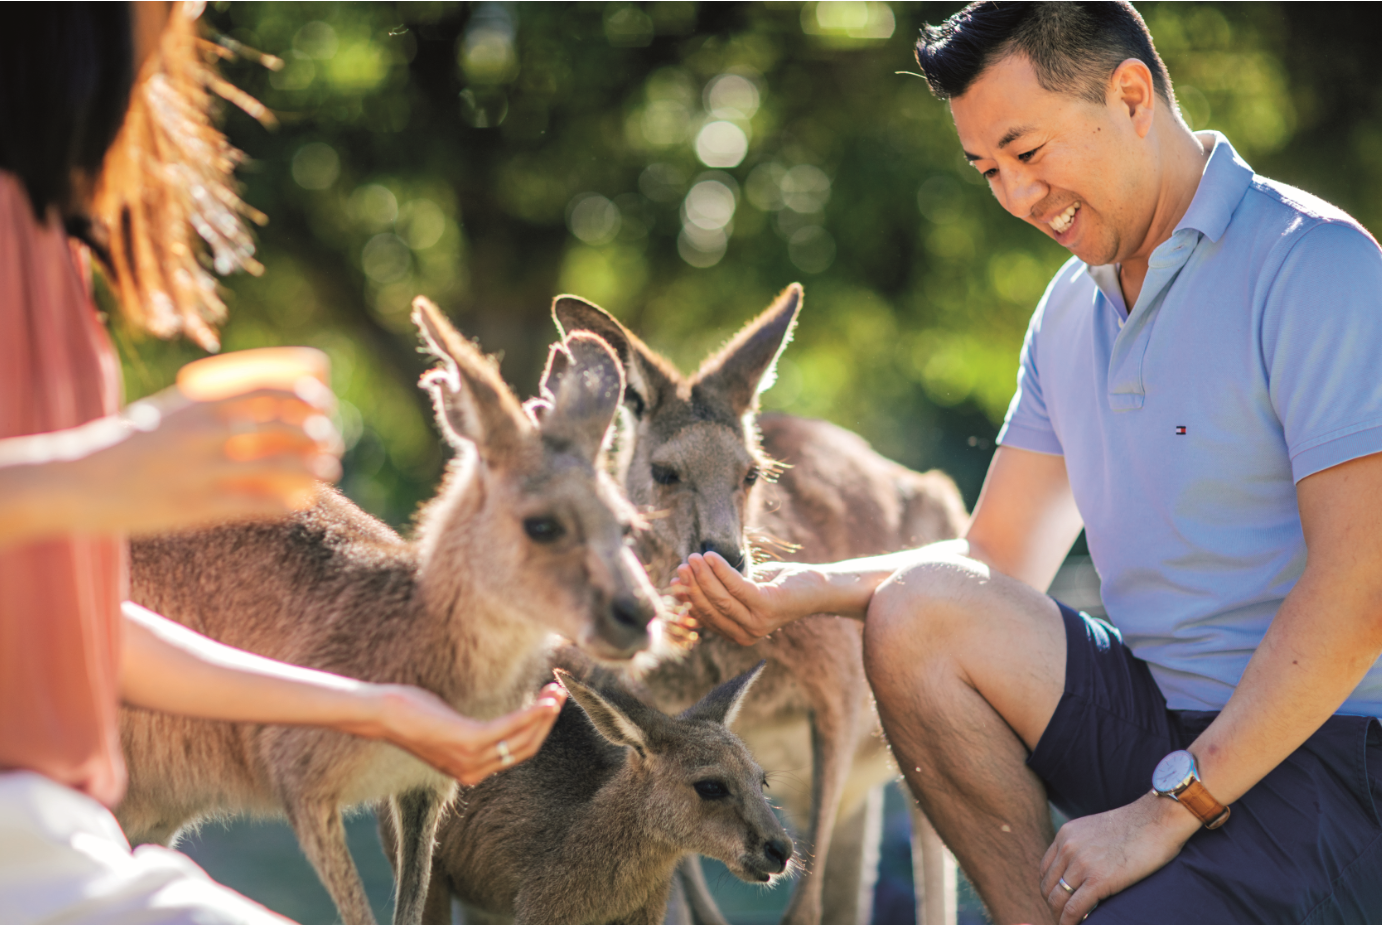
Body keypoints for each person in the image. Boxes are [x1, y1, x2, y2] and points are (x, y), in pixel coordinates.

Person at [672, 3, 1382, 923]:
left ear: (1130, 96)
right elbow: (993, 562)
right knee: (919, 609)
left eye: (1028, 152)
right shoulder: (1066, 311)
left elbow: (1364, 586)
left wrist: (1174, 806)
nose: (1013, 196)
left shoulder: (1315, 265)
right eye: (987, 171)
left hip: (1329, 752)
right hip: (1151, 720)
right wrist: (804, 585)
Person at [0, 5, 563, 923]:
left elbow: (89, 626)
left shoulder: (50, 241)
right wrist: (111, 467)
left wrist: (380, 707)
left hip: (53, 838)